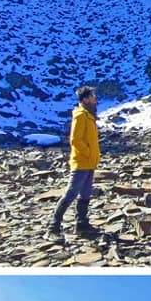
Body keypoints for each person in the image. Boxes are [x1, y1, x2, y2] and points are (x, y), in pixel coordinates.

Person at [48, 85, 101, 238]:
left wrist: (92, 156)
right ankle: (53, 228)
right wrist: (89, 153)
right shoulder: (80, 115)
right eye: (92, 96)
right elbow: (75, 140)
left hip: (89, 162)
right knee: (70, 194)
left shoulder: (89, 115)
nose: (95, 98)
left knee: (85, 194)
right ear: (85, 99)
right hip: (81, 163)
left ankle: (82, 225)